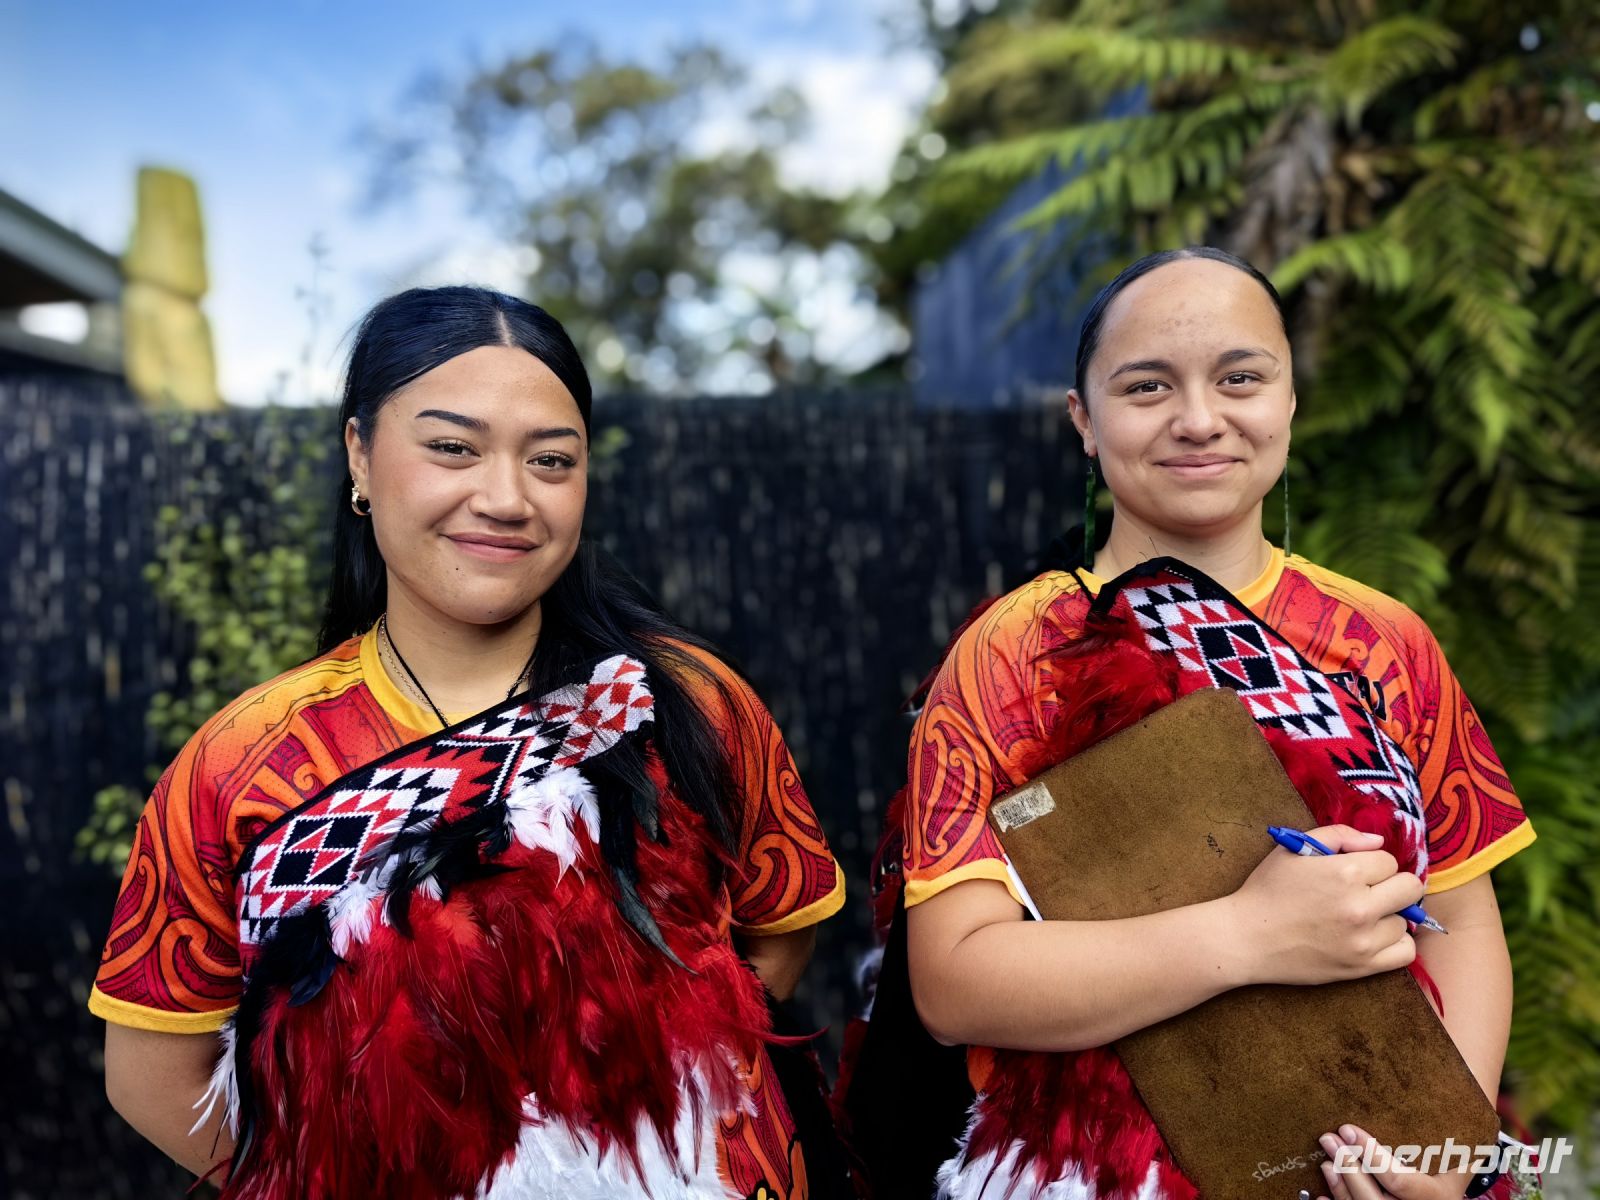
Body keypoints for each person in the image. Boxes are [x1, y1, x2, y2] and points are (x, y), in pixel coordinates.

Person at [90, 286, 847, 1200]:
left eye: (553, 461)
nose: (506, 498)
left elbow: (773, 939)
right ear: (360, 455)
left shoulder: (690, 706)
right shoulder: (242, 764)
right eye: (452, 447)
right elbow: (153, 1073)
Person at [899, 248, 1534, 1200]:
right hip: (1089, 1171)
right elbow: (954, 982)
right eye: (1147, 386)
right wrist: (1247, 936)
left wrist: (1445, 1153)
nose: (1200, 419)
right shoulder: (1012, 657)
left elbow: (1462, 919)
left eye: (1240, 378)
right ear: (1084, 420)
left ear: (1289, 402)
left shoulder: (1382, 642)